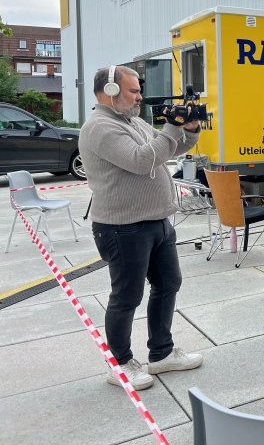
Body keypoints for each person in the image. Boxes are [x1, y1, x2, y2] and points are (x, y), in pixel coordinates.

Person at [79, 65, 204, 390]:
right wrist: (170, 127)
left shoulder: (132, 121)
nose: (139, 97)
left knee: (168, 284)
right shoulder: (100, 128)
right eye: (133, 91)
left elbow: (168, 149)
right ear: (109, 90)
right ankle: (119, 364)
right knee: (127, 296)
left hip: (155, 221)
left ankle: (161, 353)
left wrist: (188, 131)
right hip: (122, 228)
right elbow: (140, 160)